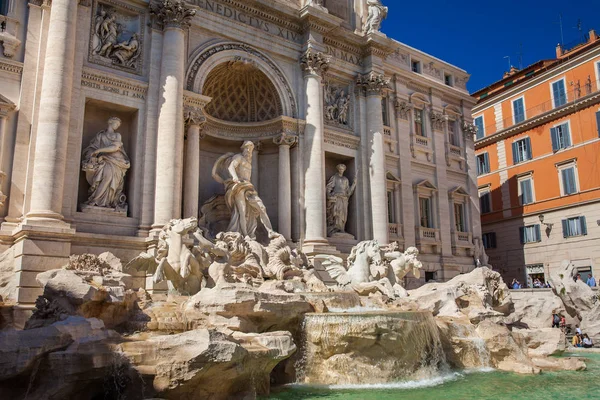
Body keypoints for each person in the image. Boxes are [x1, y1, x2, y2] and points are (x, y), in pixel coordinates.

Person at [211, 141, 275, 240]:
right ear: (243, 148)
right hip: (239, 185)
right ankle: (245, 235)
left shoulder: (248, 162)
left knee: (261, 207)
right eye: (247, 148)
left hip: (248, 187)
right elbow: (231, 167)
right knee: (242, 211)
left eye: (251, 149)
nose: (249, 151)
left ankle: (270, 231)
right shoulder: (238, 157)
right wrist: (235, 177)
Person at [81, 117, 130, 209]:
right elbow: (92, 148)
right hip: (104, 161)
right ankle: (96, 200)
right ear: (110, 122)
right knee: (105, 178)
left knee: (110, 180)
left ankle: (105, 201)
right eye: (116, 123)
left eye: (119, 125)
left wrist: (99, 150)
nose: (117, 126)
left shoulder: (117, 135)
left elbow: (115, 147)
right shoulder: (100, 136)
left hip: (116, 162)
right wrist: (92, 155)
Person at [326, 163, 357, 237]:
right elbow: (329, 187)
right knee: (336, 213)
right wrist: (329, 195)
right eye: (340, 169)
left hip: (344, 199)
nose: (341, 170)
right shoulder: (334, 177)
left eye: (342, 169)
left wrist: (354, 183)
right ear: (338, 169)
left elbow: (348, 192)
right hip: (337, 198)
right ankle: (335, 228)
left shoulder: (345, 179)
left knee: (343, 215)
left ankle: (341, 228)